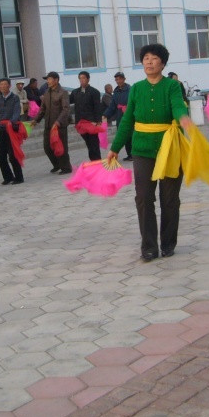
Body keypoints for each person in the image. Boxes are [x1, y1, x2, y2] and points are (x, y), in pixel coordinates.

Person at [106, 44, 193, 262]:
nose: (149, 62)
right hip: (142, 150)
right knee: (143, 197)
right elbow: (127, 121)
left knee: (169, 198)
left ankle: (169, 243)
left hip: (170, 149)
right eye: (145, 58)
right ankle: (149, 246)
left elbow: (177, 105)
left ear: (162, 63)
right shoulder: (136, 89)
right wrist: (115, 148)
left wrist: (183, 117)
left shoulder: (172, 86)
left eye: (154, 58)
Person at [31, 71, 72, 174]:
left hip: (59, 125)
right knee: (47, 147)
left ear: (56, 80)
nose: (47, 81)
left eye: (49, 79)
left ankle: (66, 168)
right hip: (48, 124)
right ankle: (57, 165)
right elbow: (42, 109)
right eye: (47, 79)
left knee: (61, 147)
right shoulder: (46, 92)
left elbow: (66, 109)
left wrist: (58, 121)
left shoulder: (63, 92)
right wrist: (36, 120)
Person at [0, 78, 24, 185]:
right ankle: (8, 177)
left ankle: (19, 177)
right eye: (1, 85)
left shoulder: (15, 98)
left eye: (5, 84)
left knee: (13, 155)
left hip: (11, 129)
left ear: (9, 86)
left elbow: (16, 112)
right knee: (0, 155)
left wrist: (11, 122)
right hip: (2, 129)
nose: (2, 87)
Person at [70, 71, 102, 161]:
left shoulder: (94, 92)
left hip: (91, 122)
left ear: (88, 79)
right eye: (80, 78)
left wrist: (98, 121)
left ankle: (97, 162)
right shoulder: (75, 92)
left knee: (94, 143)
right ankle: (93, 161)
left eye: (84, 78)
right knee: (88, 143)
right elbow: (67, 101)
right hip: (80, 122)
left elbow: (97, 107)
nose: (82, 80)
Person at [102, 72, 132, 160]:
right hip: (120, 116)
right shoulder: (116, 92)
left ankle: (133, 154)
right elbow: (112, 106)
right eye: (116, 79)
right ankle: (129, 154)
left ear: (124, 79)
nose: (118, 81)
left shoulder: (130, 89)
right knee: (122, 135)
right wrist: (105, 115)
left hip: (129, 115)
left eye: (120, 79)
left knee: (131, 135)